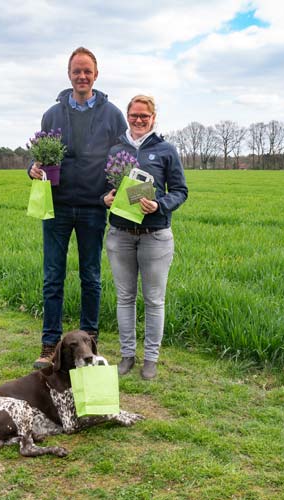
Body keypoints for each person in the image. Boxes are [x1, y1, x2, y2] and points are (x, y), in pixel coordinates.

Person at [28, 47, 127, 369]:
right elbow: (41, 156)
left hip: (93, 207)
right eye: (76, 71)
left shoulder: (112, 114)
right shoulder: (52, 114)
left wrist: (117, 189)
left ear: (96, 75)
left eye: (87, 71)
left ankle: (89, 344)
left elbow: (124, 158)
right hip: (56, 206)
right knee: (53, 276)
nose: (82, 76)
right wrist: (32, 166)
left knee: (91, 276)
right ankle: (49, 345)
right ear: (68, 75)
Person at [104, 95, 188, 380]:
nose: (139, 120)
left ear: (153, 118)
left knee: (154, 300)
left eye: (145, 116)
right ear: (127, 115)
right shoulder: (116, 148)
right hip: (120, 234)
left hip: (155, 236)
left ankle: (151, 358)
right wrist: (105, 197)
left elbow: (180, 191)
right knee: (125, 297)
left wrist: (159, 205)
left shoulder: (166, 150)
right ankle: (127, 356)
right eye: (134, 115)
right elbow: (104, 187)